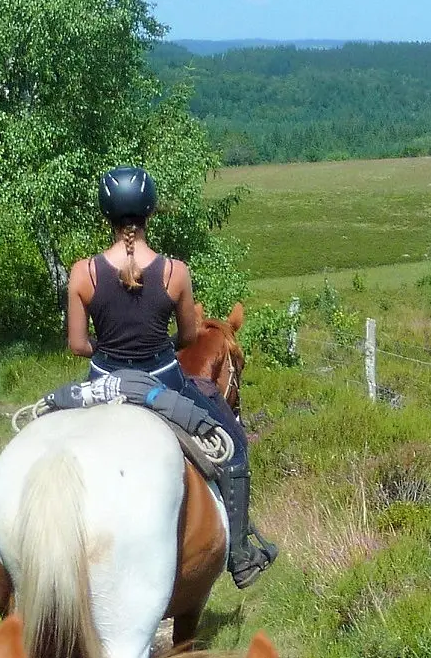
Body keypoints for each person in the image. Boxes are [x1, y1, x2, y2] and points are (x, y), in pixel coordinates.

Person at [66, 166, 277, 589]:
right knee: (232, 443)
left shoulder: (82, 273)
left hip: (102, 383)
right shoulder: (174, 272)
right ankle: (240, 554)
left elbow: (77, 345)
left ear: (105, 213)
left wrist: (106, 348)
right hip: (163, 384)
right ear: (149, 212)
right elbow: (186, 337)